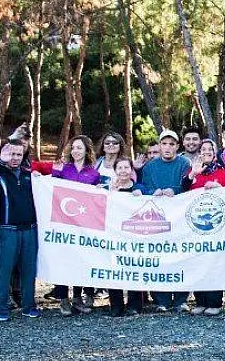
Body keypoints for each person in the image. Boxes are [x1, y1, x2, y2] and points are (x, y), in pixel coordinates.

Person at [0, 138, 41, 322]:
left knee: (29, 269)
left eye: (18, 154)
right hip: (6, 229)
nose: (14, 158)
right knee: (4, 269)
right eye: (11, 154)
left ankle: (29, 305)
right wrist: (0, 161)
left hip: (29, 229)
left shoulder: (28, 174)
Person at [139, 129, 193, 312]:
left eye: (172, 144)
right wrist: (152, 193)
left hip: (179, 219)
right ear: (159, 146)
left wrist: (175, 191)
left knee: (181, 256)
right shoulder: (149, 167)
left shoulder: (185, 163)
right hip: (156, 219)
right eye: (164, 143)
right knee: (157, 256)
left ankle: (180, 299)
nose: (168, 147)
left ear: (177, 146)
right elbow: (143, 188)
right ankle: (160, 299)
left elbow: (190, 187)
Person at [50, 135, 101, 316]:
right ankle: (63, 298)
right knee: (63, 261)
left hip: (85, 225)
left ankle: (80, 297)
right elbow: (52, 190)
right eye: (73, 148)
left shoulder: (94, 173)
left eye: (79, 148)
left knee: (82, 260)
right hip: (64, 224)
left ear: (87, 150)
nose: (76, 151)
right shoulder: (64, 169)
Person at [187, 138, 225, 315]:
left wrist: (219, 187)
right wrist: (192, 175)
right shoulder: (193, 171)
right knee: (198, 263)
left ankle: (214, 302)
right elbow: (181, 191)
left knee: (214, 263)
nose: (206, 151)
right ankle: (200, 301)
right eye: (203, 149)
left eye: (209, 149)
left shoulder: (223, 172)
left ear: (215, 153)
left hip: (216, 226)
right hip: (195, 226)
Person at [106, 157, 145, 316]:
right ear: (115, 171)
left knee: (134, 268)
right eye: (120, 168)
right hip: (114, 236)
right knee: (114, 269)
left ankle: (134, 305)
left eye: (126, 167)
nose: (123, 171)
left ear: (131, 170)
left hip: (134, 236)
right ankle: (116, 305)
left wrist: (141, 194)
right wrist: (110, 193)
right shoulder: (108, 189)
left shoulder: (139, 188)